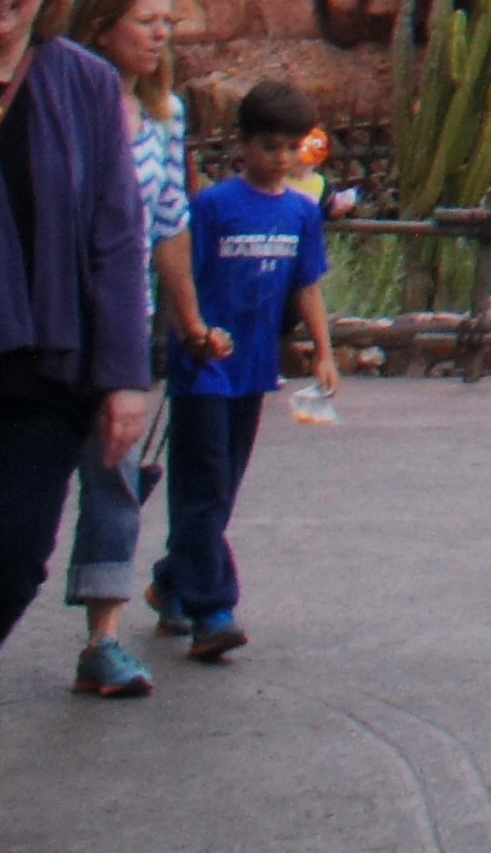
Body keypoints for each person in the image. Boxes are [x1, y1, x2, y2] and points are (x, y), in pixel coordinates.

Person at [0, 0, 152, 672]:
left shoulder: (82, 83)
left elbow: (118, 237)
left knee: (15, 553)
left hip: (42, 371)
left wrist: (124, 377)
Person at [65, 0, 211, 698]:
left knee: (116, 478)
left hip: (126, 325)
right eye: (145, 20)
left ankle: (103, 640)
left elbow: (170, 228)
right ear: (100, 26)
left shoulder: (164, 114)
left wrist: (189, 322)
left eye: (167, 22)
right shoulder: (56, 102)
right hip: (53, 318)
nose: (160, 34)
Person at [160, 75, 335, 662]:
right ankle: (214, 609)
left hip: (255, 368)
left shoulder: (300, 212)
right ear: (242, 144)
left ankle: (170, 581)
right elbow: (181, 273)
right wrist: (191, 333)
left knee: (222, 487)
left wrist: (323, 349)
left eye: (292, 147)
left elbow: (306, 283)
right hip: (204, 364)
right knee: (204, 482)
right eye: (268, 146)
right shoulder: (211, 207)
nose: (281, 158)